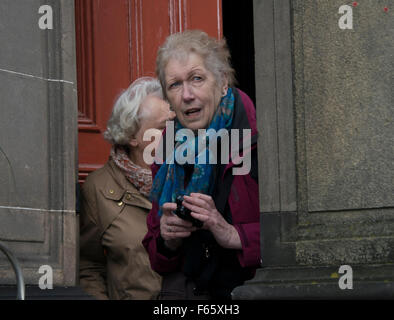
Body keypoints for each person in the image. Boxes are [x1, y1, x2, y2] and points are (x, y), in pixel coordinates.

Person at [142, 30, 260, 300]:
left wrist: (232, 234)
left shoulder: (260, 140)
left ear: (222, 82)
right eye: (175, 85)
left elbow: (294, 239)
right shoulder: (165, 149)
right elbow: (155, 255)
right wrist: (167, 240)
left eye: (197, 79)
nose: (187, 95)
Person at [79, 77, 175, 300]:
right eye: (164, 127)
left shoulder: (195, 175)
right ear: (133, 136)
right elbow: (88, 266)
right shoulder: (99, 188)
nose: (175, 134)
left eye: (176, 124)